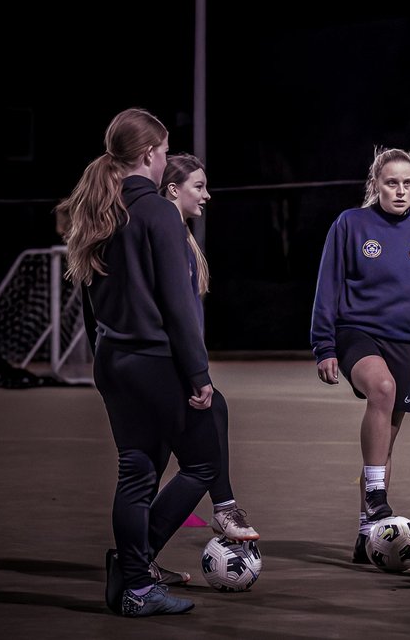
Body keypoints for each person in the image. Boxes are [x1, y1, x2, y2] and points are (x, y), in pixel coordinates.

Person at [56, 108, 218, 617]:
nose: (166, 159)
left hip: (113, 359)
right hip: (154, 362)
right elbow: (177, 303)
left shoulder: (98, 210)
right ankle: (133, 571)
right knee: (203, 463)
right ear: (149, 154)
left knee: (137, 470)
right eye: (166, 151)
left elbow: (86, 300)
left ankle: (134, 584)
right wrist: (198, 374)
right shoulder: (157, 214)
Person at [310, 147, 410, 566]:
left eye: (408, 183)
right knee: (383, 388)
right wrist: (324, 345)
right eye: (392, 182)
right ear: (375, 184)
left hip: (405, 342)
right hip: (357, 334)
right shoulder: (351, 224)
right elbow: (327, 286)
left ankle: (366, 535)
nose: (401, 190)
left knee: (384, 446)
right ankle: (376, 497)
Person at [144, 153, 260, 584]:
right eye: (199, 186)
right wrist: (196, 372)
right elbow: (175, 312)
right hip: (164, 368)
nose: (207, 194)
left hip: (159, 366)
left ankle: (137, 562)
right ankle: (224, 508)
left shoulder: (179, 236)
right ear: (173, 189)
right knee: (199, 454)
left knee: (147, 471)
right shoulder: (166, 232)